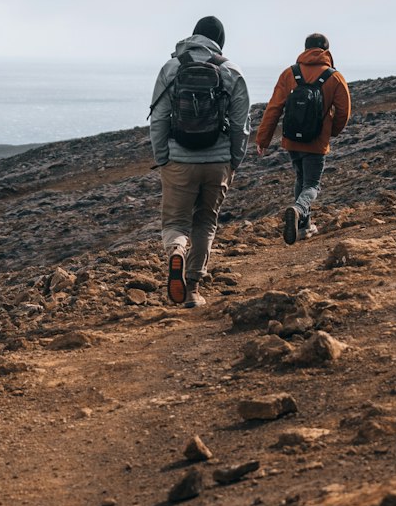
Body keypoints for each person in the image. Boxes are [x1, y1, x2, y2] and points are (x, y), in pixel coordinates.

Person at [149, 16, 250, 307]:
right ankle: (191, 289)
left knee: (176, 222)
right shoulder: (232, 71)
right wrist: (233, 161)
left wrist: (163, 159)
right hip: (217, 162)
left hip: (179, 162)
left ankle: (177, 251)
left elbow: (158, 118)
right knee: (205, 222)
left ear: (194, 35)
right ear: (220, 41)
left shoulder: (171, 68)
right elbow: (241, 125)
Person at [255, 32, 351, 244]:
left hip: (292, 140)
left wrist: (263, 139)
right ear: (326, 50)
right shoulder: (334, 77)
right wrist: (331, 131)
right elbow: (344, 112)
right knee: (312, 185)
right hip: (316, 141)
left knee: (300, 178)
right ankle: (298, 210)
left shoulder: (290, 74)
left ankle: (303, 226)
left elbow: (273, 108)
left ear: (305, 49)